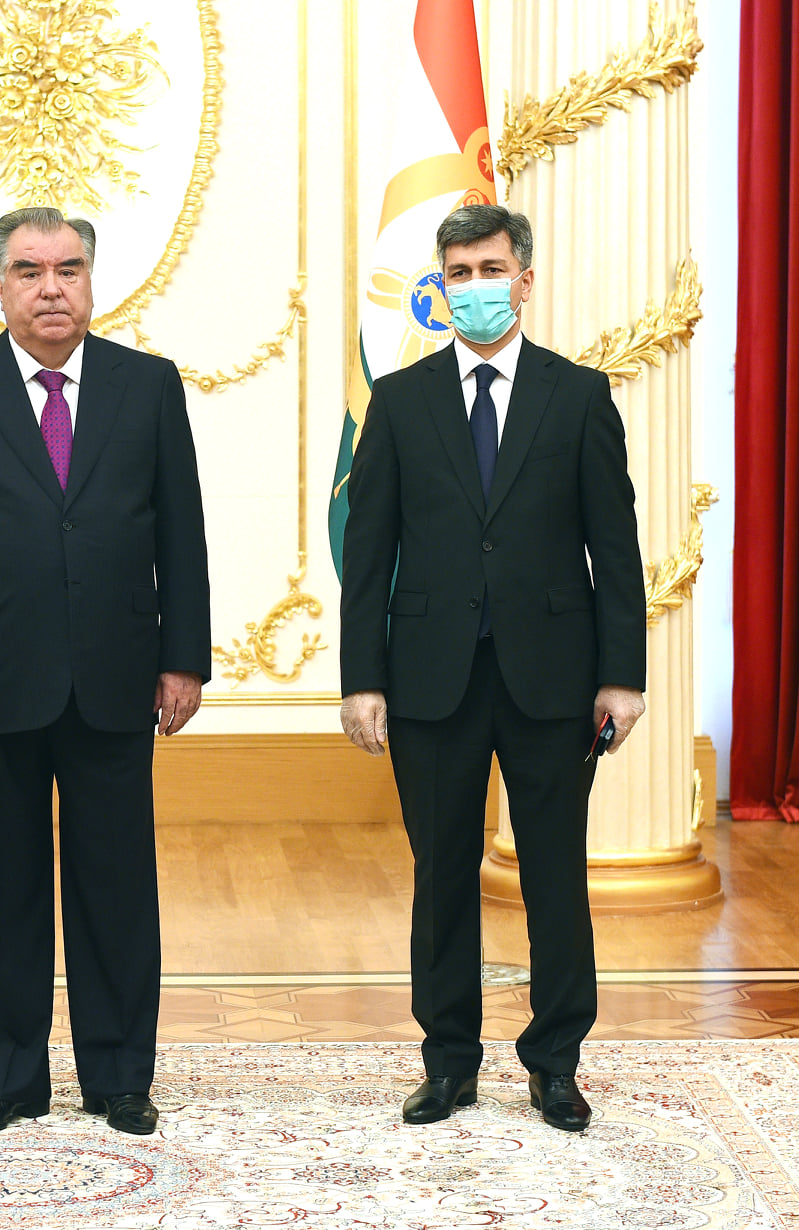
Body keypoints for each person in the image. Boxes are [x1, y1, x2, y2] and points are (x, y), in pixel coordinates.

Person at [0, 207, 212, 1138]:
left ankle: (120, 1077)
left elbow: (181, 529)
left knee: (117, 887)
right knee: (1, 890)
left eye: (68, 269)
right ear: (0, 286)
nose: (51, 288)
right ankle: (6, 1079)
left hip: (119, 673)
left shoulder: (148, 385)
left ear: (91, 281)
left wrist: (183, 658)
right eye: (29, 271)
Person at [338, 203, 646, 1133]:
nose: (475, 286)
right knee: (441, 878)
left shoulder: (578, 395)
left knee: (554, 877)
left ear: (525, 280)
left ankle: (555, 1063)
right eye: (459, 272)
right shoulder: (400, 401)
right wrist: (362, 679)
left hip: (553, 679)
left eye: (491, 269)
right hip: (429, 679)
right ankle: (448, 1063)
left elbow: (614, 548)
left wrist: (622, 676)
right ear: (440, 286)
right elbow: (368, 551)